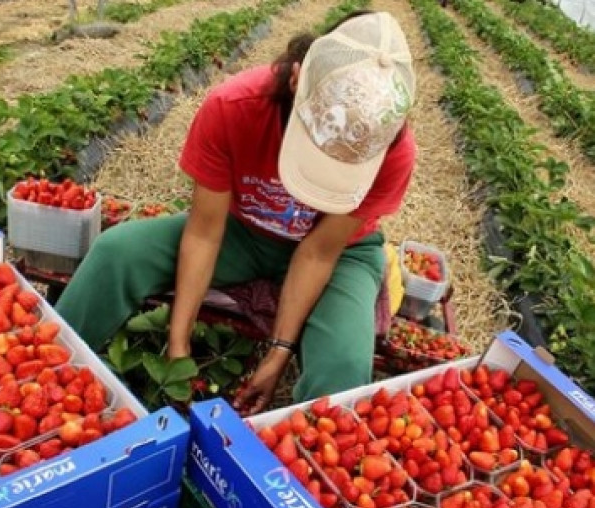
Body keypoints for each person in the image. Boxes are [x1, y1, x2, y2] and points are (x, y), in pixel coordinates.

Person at [55, 10, 418, 415]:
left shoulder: (394, 150)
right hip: (243, 231)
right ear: (297, 78)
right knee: (116, 253)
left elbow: (319, 252)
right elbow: (205, 232)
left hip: (339, 254)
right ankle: (51, 373)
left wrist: (279, 352)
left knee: (344, 364)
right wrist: (178, 345)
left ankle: (298, 467)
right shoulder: (235, 107)